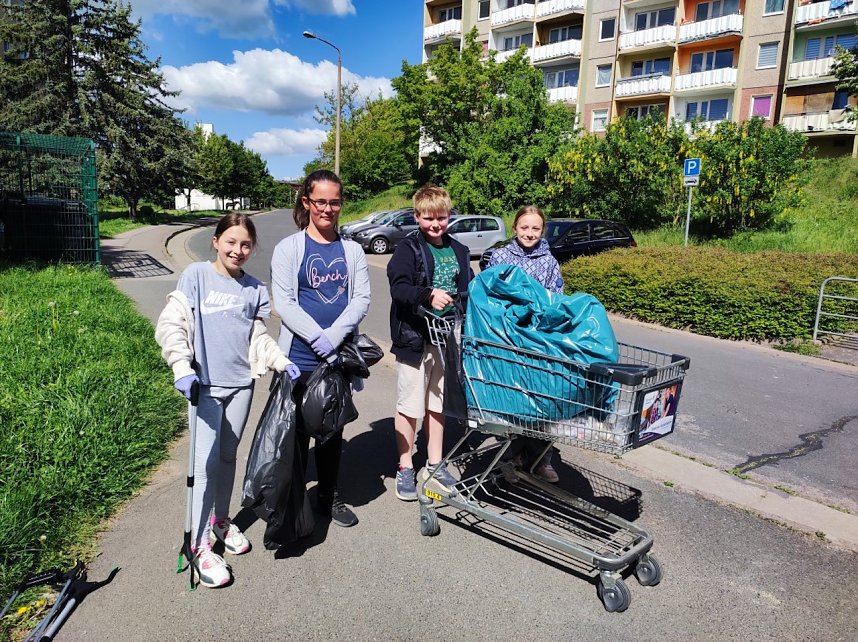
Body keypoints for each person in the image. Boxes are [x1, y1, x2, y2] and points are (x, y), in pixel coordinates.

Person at [155, 212, 299, 588]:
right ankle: (199, 544)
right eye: (231, 241)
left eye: (246, 244)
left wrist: (280, 361)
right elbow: (173, 323)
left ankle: (221, 520)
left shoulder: (254, 289)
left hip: (240, 385)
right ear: (215, 241)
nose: (238, 249)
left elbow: (257, 337)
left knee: (228, 456)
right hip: (203, 385)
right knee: (203, 465)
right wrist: (181, 366)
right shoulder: (197, 276)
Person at [271, 169, 370, 528]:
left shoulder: (354, 250)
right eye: (321, 202)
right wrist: (318, 339)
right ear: (307, 202)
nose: (328, 209)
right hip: (298, 359)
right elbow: (284, 302)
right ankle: (294, 503)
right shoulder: (289, 248)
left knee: (331, 432)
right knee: (295, 436)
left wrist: (333, 339)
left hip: (335, 361)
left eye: (334, 202)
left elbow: (360, 299)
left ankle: (329, 498)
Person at [387, 184, 474, 501]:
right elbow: (399, 288)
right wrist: (427, 294)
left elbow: (468, 291)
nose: (436, 224)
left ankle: (434, 464)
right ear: (417, 216)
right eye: (428, 218)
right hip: (415, 337)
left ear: (449, 215)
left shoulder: (460, 251)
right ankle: (406, 465)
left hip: (447, 337)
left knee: (438, 404)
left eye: (441, 217)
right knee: (409, 406)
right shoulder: (407, 249)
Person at [485, 205, 563, 483]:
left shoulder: (549, 261)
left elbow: (556, 298)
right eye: (525, 227)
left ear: (542, 231)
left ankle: (542, 459)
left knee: (543, 402)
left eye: (536, 228)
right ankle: (513, 455)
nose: (530, 233)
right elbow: (490, 295)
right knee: (513, 400)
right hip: (507, 339)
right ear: (515, 227)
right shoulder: (500, 256)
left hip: (539, 342)